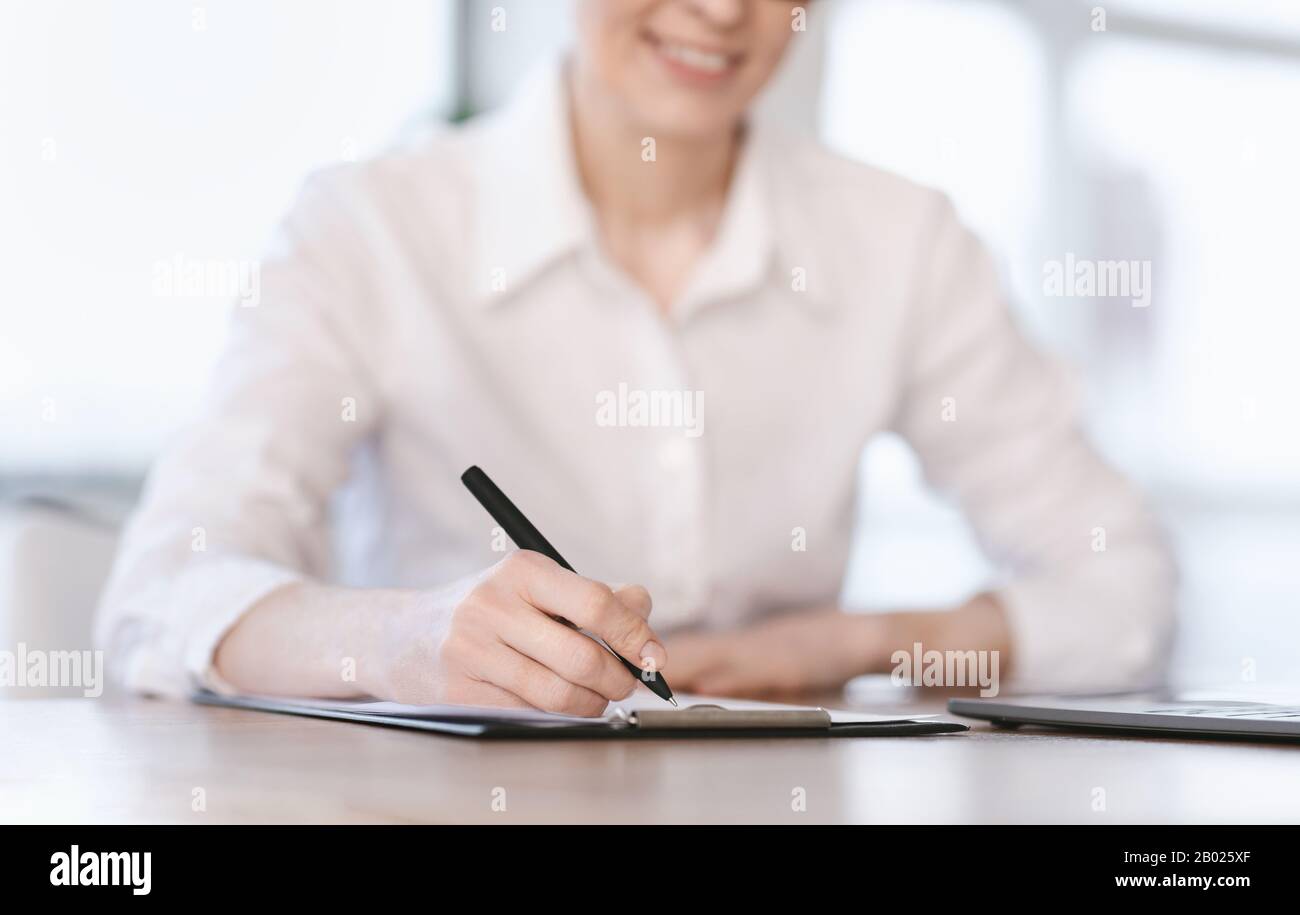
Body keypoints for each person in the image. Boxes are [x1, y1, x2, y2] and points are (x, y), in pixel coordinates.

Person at [96, 0, 1175, 713]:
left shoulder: (903, 243)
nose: (717, 12)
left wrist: (845, 643)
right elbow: (159, 597)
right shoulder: (368, 228)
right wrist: (410, 639)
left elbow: (1123, 592)